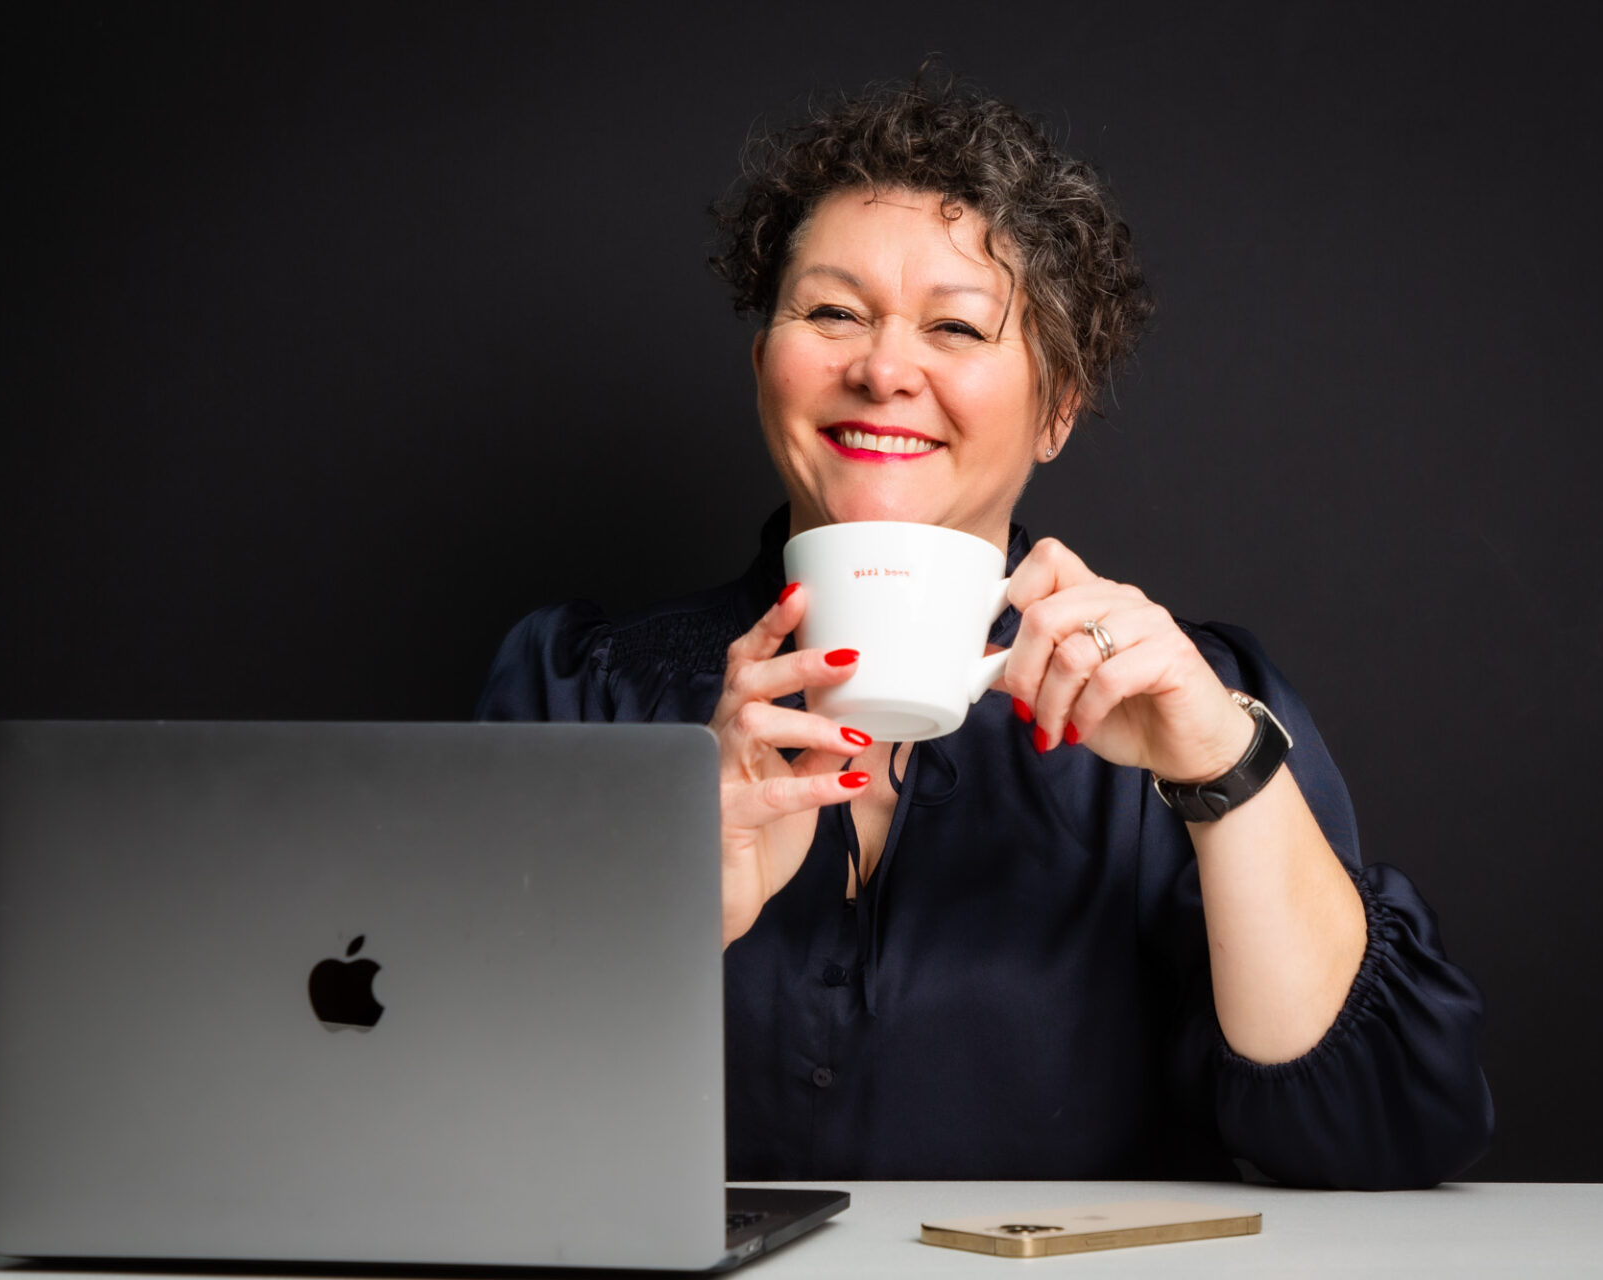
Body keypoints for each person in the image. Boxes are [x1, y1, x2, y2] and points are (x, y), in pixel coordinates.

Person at [475, 71, 1493, 1190]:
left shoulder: (1185, 708)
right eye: (830, 311)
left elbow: (1387, 1130)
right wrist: (671, 902)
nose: (882, 368)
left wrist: (1219, 770)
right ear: (765, 359)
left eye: (956, 325)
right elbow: (458, 1133)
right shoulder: (580, 693)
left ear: (1057, 410)